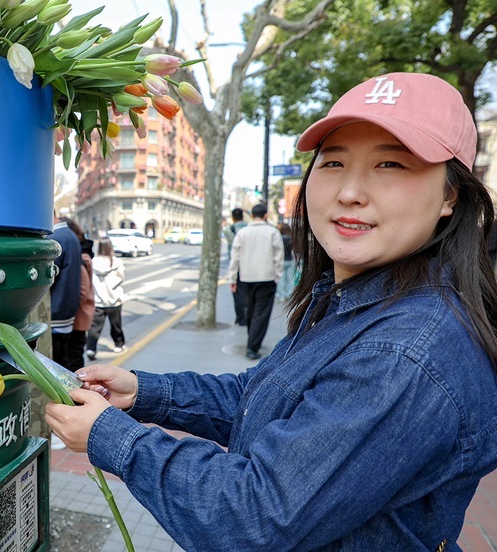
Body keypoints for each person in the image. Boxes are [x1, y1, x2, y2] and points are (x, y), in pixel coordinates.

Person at [45, 72, 497, 550]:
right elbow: (262, 396)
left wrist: (111, 438)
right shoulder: (354, 297)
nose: (350, 192)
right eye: (334, 162)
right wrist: (143, 392)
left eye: (391, 164)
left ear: (452, 195)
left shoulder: (403, 353)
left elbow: (251, 517)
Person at [227, 203, 284, 359]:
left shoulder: (242, 233)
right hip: (267, 278)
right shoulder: (272, 232)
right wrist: (277, 275)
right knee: (262, 313)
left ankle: (252, 340)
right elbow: (278, 257)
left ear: (252, 215)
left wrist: (232, 277)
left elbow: (235, 257)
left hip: (246, 278)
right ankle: (253, 347)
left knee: (250, 310)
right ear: (265, 215)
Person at [47, 212, 81, 368]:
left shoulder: (56, 239)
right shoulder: (70, 235)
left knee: (56, 367)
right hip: (66, 312)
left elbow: (48, 280)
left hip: (55, 313)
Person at [61, 216, 95, 371]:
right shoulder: (83, 252)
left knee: (73, 359)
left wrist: (70, 307)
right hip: (82, 314)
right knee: (75, 356)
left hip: (78, 317)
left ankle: (78, 391)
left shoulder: (81, 256)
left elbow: (82, 289)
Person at [85, 239, 126, 359]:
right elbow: (122, 278)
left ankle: (91, 349)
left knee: (95, 327)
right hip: (114, 300)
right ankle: (119, 345)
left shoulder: (93, 262)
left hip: (98, 300)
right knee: (116, 325)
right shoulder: (116, 262)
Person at [222, 208, 248, 325]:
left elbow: (232, 247)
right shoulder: (249, 228)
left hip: (236, 264)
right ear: (243, 216)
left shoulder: (229, 229)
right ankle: (248, 314)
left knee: (236, 292)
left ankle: (240, 317)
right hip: (249, 264)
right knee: (248, 291)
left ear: (233, 217)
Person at [276, 222, 295, 301]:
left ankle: (281, 295)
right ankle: (289, 294)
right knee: (290, 278)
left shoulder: (279, 239)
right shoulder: (291, 238)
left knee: (281, 279)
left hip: (281, 261)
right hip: (290, 260)